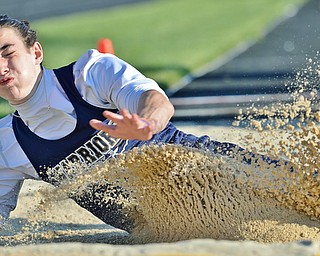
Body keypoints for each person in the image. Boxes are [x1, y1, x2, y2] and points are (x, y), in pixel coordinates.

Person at [0, 15, 277, 233]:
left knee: (302, 192)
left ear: (36, 52)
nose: (1, 67)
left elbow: (155, 100)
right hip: (172, 229)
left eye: (7, 52)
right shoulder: (7, 144)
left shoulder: (90, 74)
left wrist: (146, 123)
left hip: (212, 171)